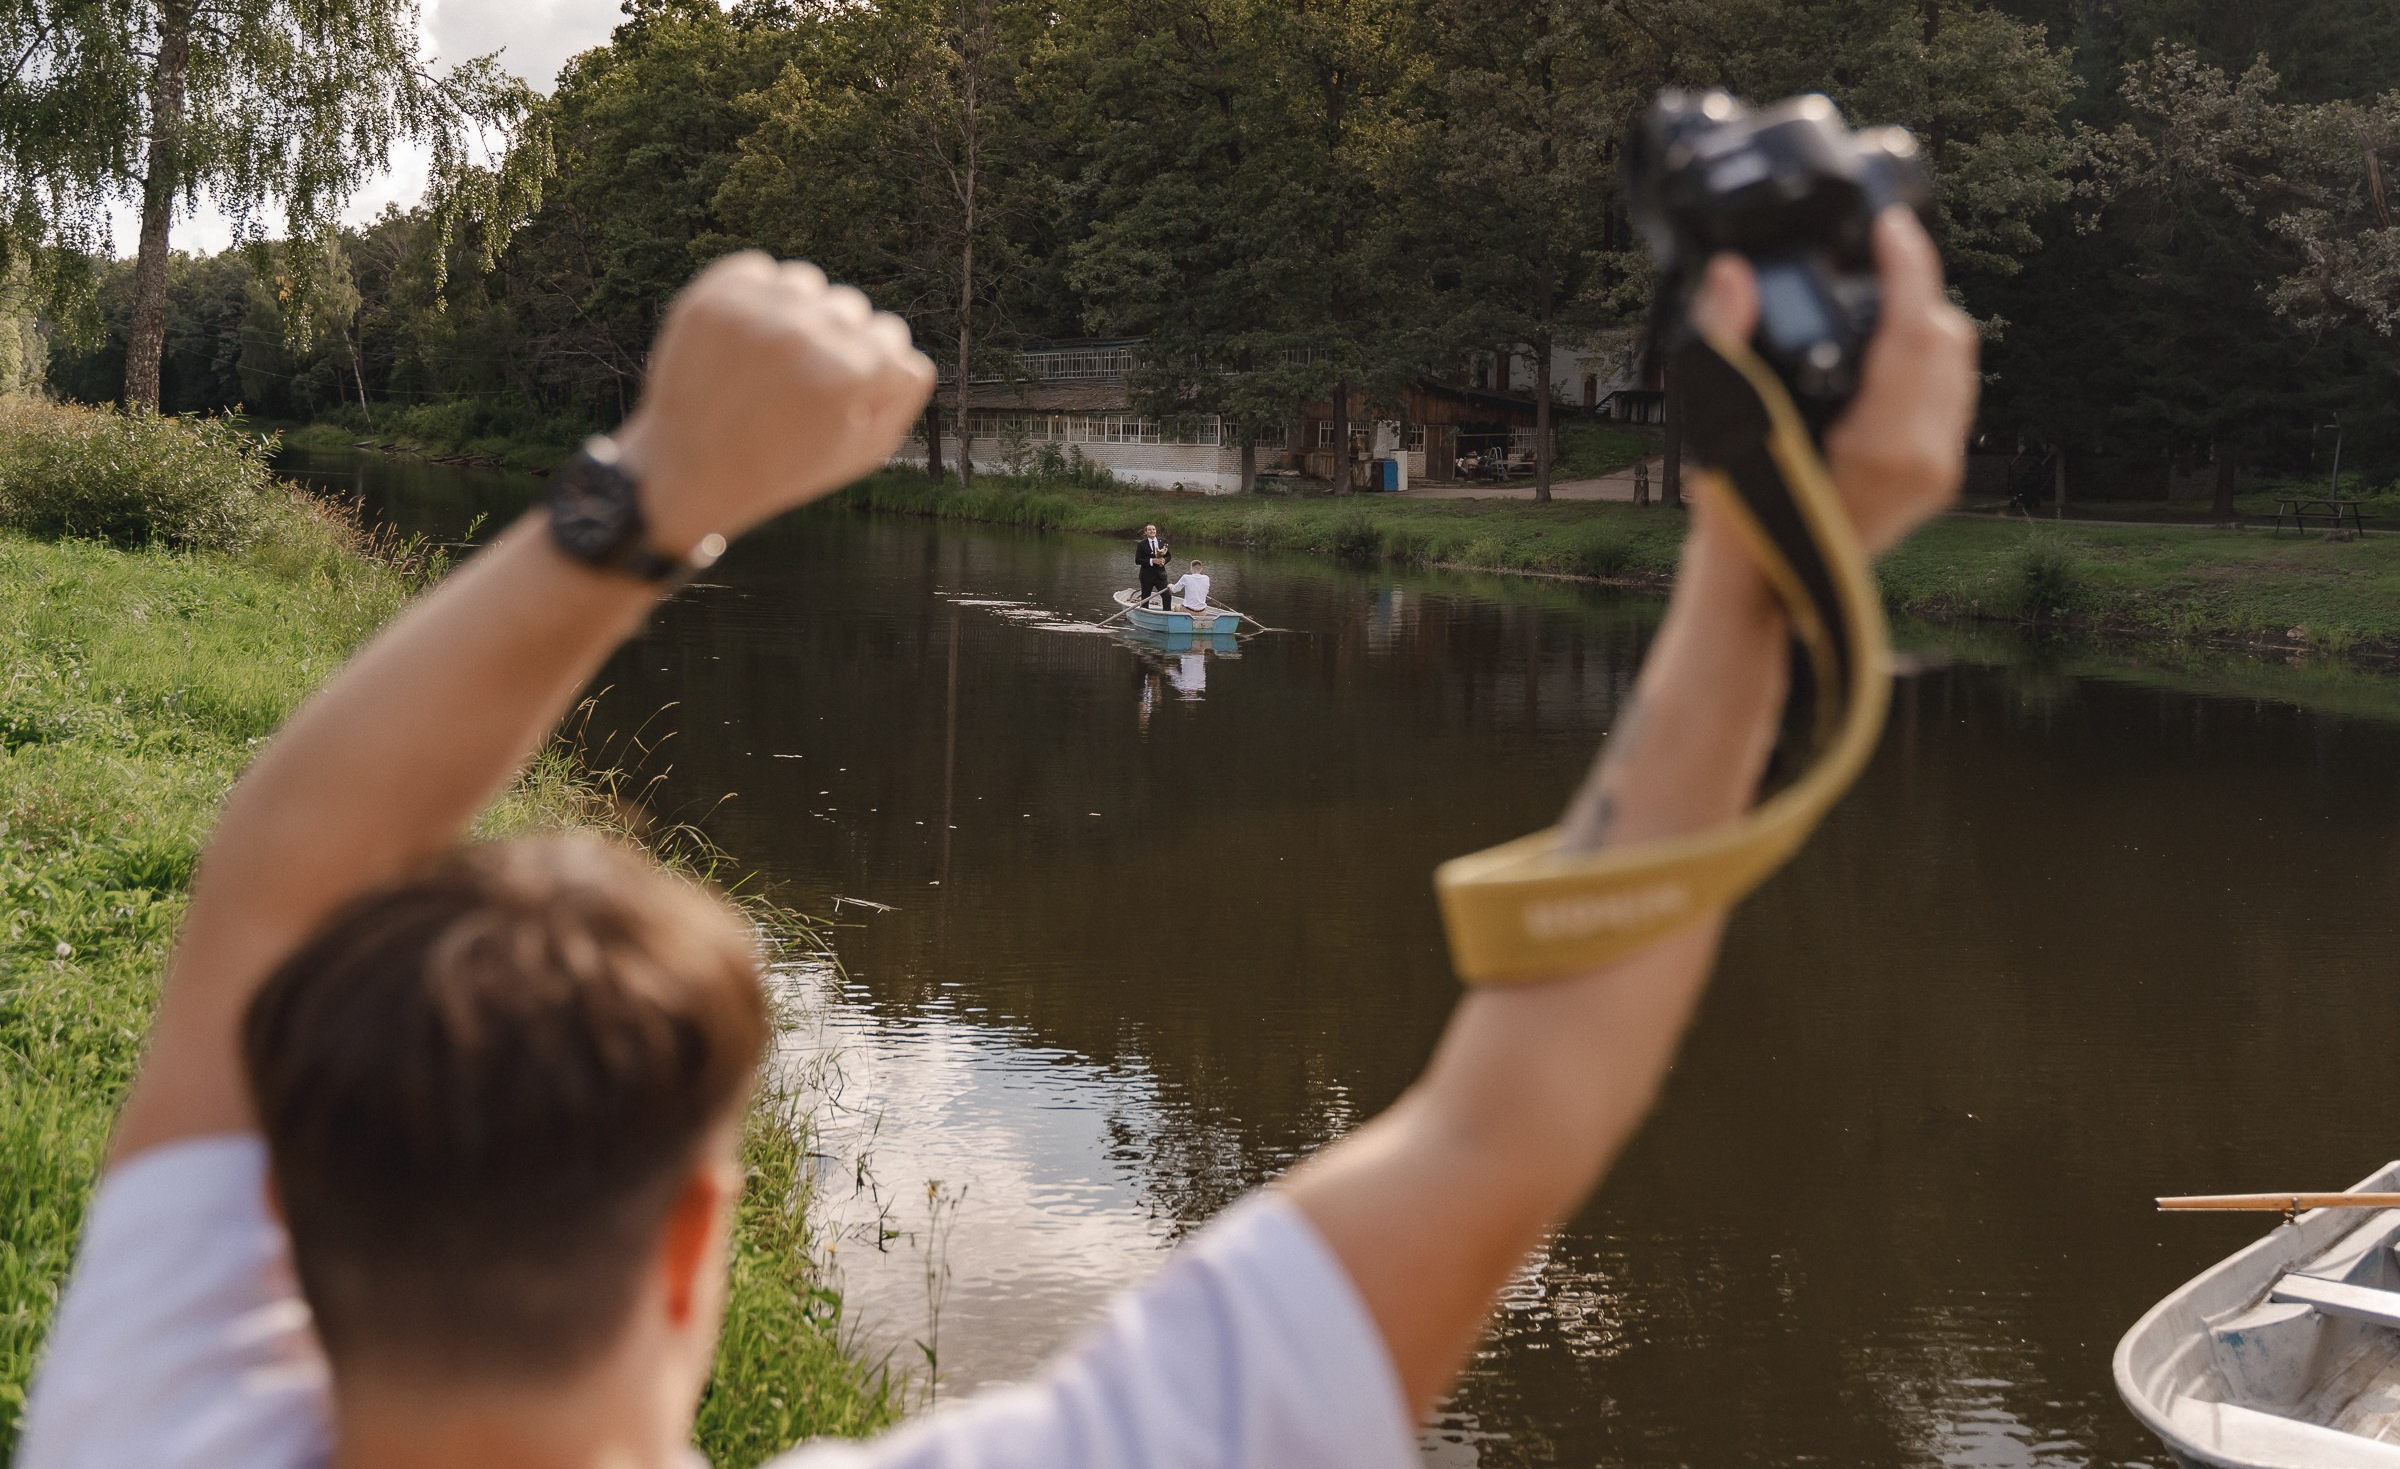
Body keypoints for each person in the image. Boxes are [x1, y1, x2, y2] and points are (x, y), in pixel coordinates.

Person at [19, 212, 1975, 1469]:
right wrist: (1757, 575)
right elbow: (1511, 1120)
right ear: (700, 1241)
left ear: (291, 1226)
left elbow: (279, 863)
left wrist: (654, 490)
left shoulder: (145, 1424)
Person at [1134, 523, 1170, 608]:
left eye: (1154, 529)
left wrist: (1164, 560)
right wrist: (1151, 561)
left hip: (1161, 575)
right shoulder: (1142, 544)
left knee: (1167, 596)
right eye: (1149, 530)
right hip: (1147, 575)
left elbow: (1169, 556)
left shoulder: (1162, 541)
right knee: (1145, 597)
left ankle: (1167, 614)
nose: (1152, 531)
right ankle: (1144, 615)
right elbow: (1137, 560)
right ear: (1145, 532)